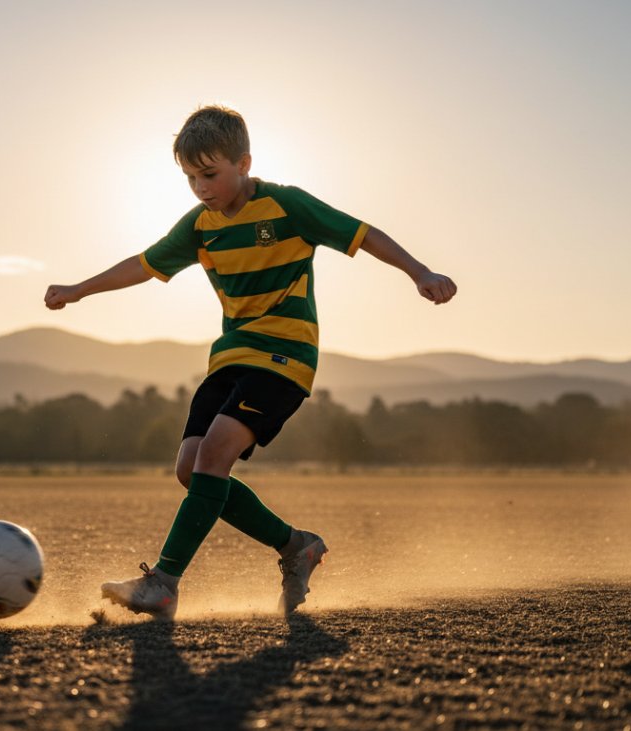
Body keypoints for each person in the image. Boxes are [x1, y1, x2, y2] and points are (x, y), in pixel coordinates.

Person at [44, 105, 457, 619]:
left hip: (285, 355)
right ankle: (295, 546)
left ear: (244, 163)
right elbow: (144, 264)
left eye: (210, 174)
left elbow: (362, 233)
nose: (200, 187)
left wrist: (420, 271)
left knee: (213, 457)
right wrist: (80, 290)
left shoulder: (287, 206)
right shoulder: (200, 225)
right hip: (231, 358)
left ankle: (164, 584)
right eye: (190, 177)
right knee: (190, 470)